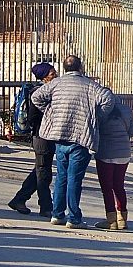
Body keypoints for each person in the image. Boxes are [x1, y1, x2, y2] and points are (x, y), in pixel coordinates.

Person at [31, 54, 114, 228]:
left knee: (61, 176)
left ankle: (57, 214)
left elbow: (36, 97)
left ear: (64, 68)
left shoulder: (55, 84)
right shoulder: (91, 86)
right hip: (81, 137)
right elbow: (108, 99)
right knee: (74, 178)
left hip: (60, 135)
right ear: (80, 67)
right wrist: (97, 117)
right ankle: (74, 218)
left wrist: (51, 112)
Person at [8, 63, 57, 216]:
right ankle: (46, 206)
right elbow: (33, 117)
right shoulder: (39, 93)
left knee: (40, 170)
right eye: (51, 72)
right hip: (41, 136)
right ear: (44, 76)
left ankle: (20, 199)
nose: (54, 74)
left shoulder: (47, 91)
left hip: (46, 136)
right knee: (43, 173)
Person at [93, 91, 133, 230]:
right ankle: (122, 219)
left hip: (105, 152)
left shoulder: (100, 111)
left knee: (107, 188)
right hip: (124, 152)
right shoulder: (126, 109)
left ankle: (111, 220)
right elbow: (132, 131)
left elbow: (94, 130)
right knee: (119, 186)